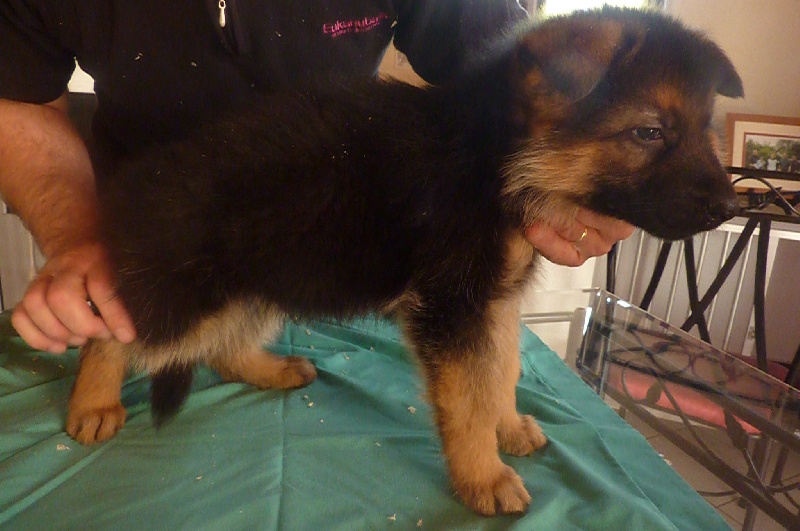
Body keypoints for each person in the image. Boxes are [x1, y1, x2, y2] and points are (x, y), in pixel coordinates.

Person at [0, 1, 633, 354]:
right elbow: (18, 100)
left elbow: (516, 74)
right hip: (149, 244)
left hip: (332, 254)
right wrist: (76, 235)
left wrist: (606, 161)